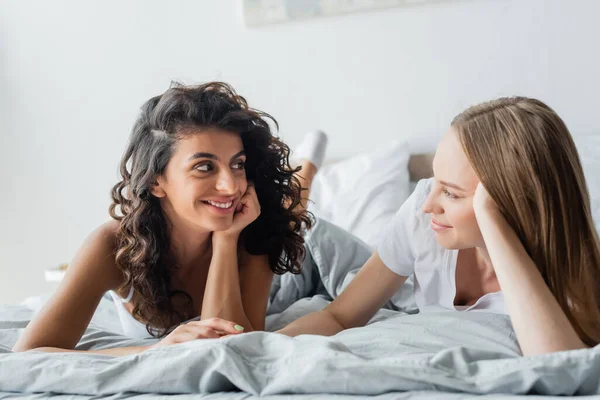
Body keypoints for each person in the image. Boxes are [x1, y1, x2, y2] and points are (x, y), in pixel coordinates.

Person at [13, 82, 328, 355]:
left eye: (238, 164)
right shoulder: (111, 244)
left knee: (289, 213)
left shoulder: (251, 229)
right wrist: (157, 349)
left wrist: (226, 240)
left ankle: (306, 170)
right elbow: (30, 352)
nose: (231, 186)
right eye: (204, 166)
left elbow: (236, 343)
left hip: (286, 270)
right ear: (155, 181)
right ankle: (307, 167)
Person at [279, 97, 600, 356]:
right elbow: (340, 315)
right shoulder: (423, 214)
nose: (428, 204)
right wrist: (256, 344)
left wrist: (492, 221)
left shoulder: (572, 274)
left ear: (509, 201)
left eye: (451, 192)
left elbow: (558, 362)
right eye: (434, 181)